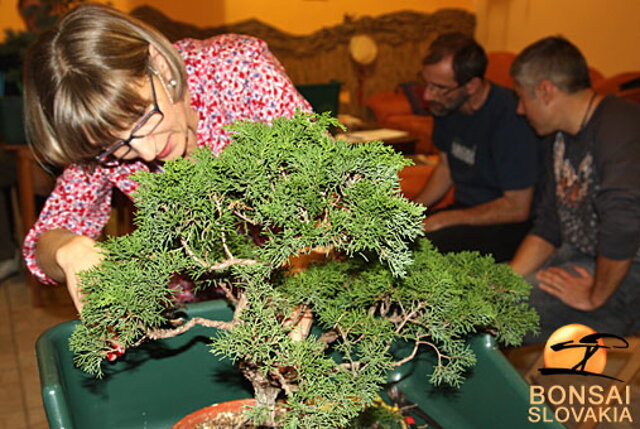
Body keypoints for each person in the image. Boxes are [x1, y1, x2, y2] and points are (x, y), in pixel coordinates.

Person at [22, 3, 311, 311]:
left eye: (144, 117)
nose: (146, 153)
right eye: (116, 145)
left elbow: (323, 184)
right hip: (192, 305)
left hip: (295, 278)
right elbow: (44, 243)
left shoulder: (239, 70)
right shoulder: (103, 144)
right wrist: (69, 251)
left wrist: (294, 282)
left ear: (157, 62)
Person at [509, 36, 640, 343]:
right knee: (480, 289)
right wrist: (508, 279)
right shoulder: (560, 137)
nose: (519, 109)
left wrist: (595, 296)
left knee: (498, 310)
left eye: (521, 97)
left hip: (626, 272)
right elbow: (549, 225)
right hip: (580, 258)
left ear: (545, 91)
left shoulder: (622, 126)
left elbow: (624, 224)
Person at [414, 33, 542, 262]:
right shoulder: (446, 107)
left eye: (439, 87)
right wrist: (411, 211)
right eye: (427, 84)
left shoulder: (511, 119)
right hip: (465, 210)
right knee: (389, 240)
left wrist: (445, 219)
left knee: (419, 253)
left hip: (509, 224)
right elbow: (446, 168)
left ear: (471, 85)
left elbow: (517, 207)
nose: (427, 95)